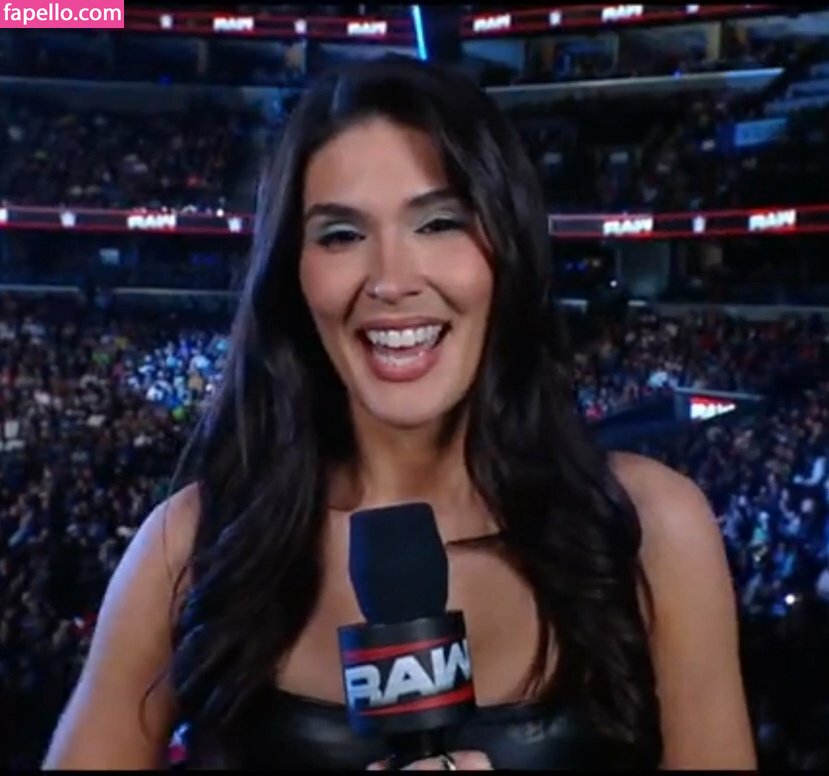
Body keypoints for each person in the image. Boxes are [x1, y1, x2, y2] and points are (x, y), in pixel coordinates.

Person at [43, 56, 755, 770]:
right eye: (341, 235)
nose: (390, 281)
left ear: (507, 248)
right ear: (293, 275)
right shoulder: (189, 543)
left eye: (439, 222)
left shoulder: (653, 530)